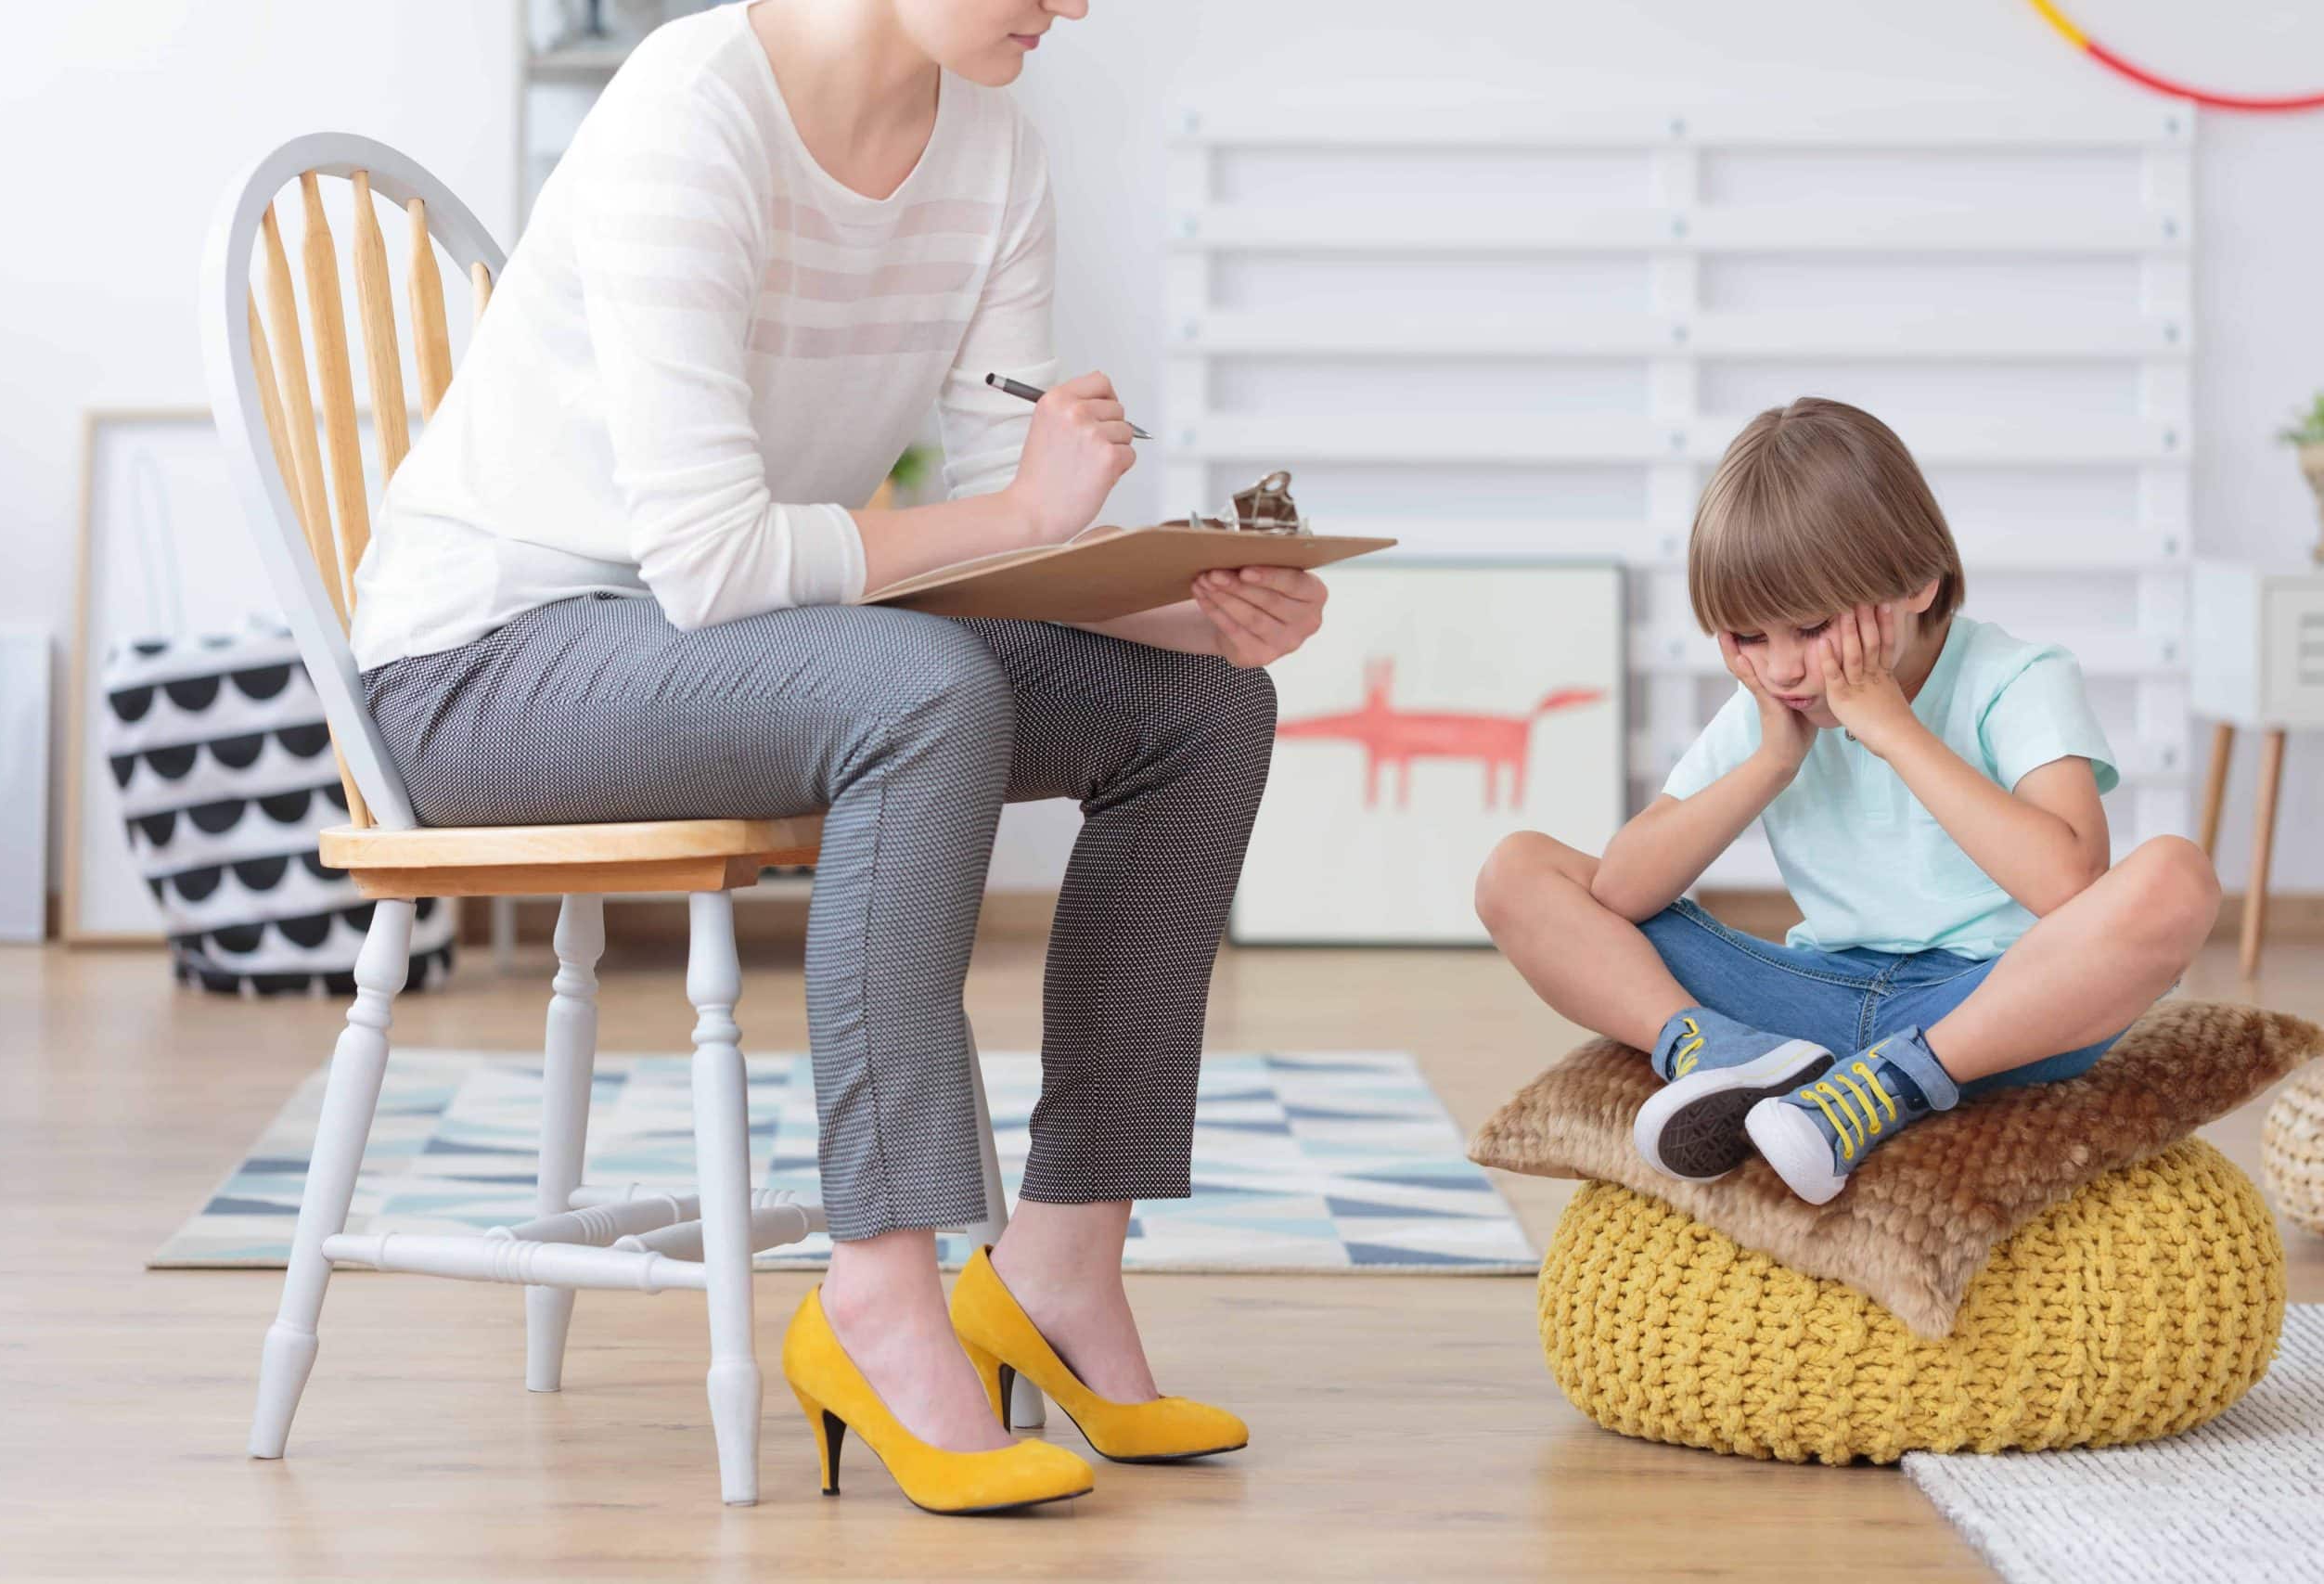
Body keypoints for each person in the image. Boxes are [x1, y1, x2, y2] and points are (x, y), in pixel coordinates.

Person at [349, 0, 1326, 1513]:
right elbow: (720, 555)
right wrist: (1021, 518)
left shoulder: (994, 146)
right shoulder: (689, 114)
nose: (1074, 5)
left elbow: (1009, 537)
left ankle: (1058, 1266)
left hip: (740, 648)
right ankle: (877, 1291)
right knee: (921, 691)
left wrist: (1199, 613)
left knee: (1195, 714)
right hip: (484, 667)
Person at [1475, 397, 2218, 1205]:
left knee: (2177, 876)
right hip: (1809, 1002)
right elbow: (1620, 890)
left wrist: (1894, 730)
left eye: (1810, 626)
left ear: (1916, 582)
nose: (1785, 668)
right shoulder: (1778, 706)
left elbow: (2070, 883)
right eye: (1748, 638)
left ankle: (1888, 1087)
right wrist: (1770, 762)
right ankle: (1716, 1049)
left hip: (1987, 1013)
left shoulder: (2018, 678)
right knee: (1517, 872)